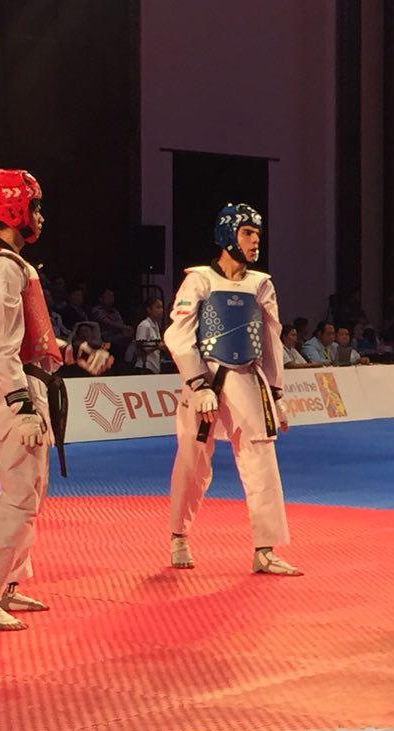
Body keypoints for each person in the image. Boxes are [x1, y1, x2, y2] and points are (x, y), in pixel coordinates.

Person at [0, 168, 112, 631]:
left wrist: (74, 353)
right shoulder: (1, 268)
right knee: (19, 495)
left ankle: (7, 584)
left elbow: (31, 338)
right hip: (17, 393)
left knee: (31, 493)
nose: (41, 217)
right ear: (15, 210)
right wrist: (21, 404)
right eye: (36, 207)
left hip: (27, 385)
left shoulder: (14, 266)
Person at [163, 202, 299, 576]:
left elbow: (271, 341)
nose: (256, 241)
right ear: (227, 235)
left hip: (247, 378)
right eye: (247, 233)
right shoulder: (199, 280)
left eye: (258, 234)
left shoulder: (261, 284)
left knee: (262, 460)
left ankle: (265, 549)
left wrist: (276, 394)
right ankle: (178, 535)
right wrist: (197, 383)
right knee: (192, 462)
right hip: (205, 379)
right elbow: (178, 335)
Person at [131, 296, 166, 373]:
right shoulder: (144, 325)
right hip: (145, 367)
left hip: (154, 367)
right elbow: (139, 351)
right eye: (158, 307)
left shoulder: (156, 325)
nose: (161, 310)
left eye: (162, 307)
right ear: (149, 310)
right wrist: (157, 347)